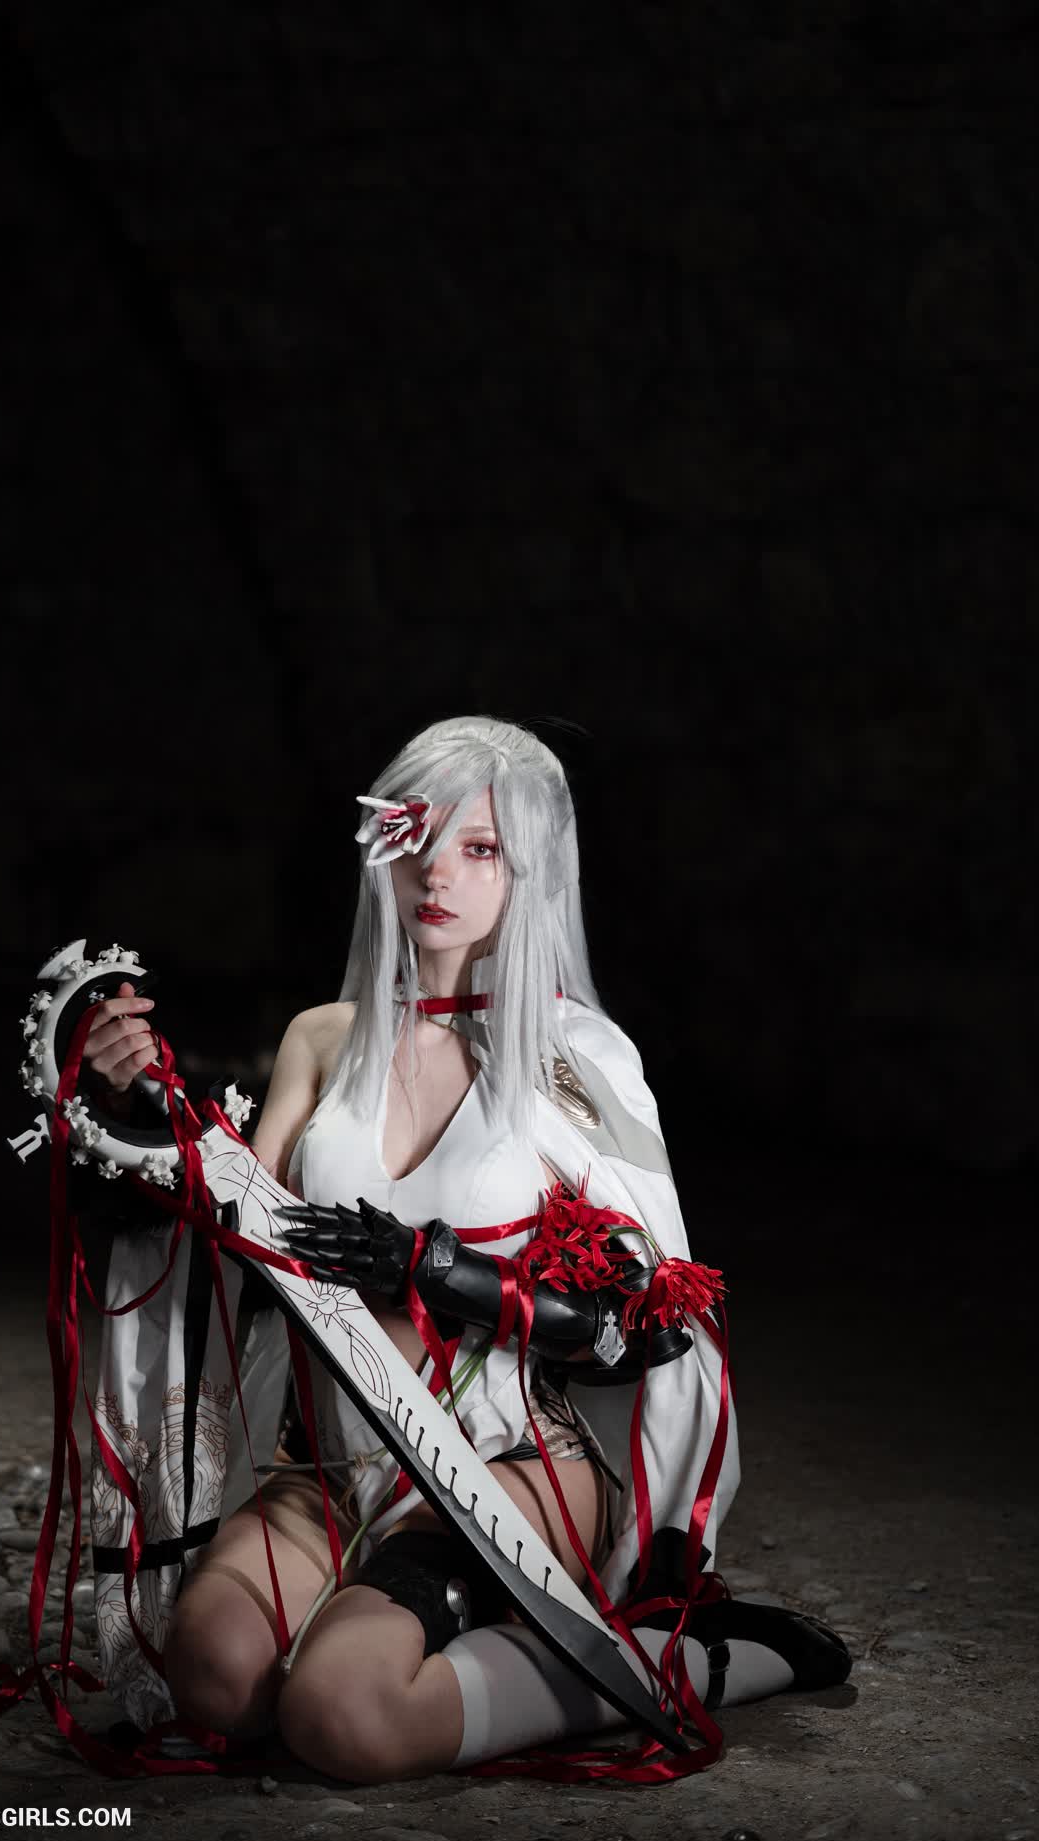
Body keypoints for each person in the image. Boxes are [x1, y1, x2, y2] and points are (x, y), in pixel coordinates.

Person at [78, 715, 849, 1781]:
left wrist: (433, 1270)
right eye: (416, 836)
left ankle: (696, 1663)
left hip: (511, 1466)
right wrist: (139, 1121)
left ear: (532, 868)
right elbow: (235, 1236)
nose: (438, 872)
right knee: (211, 1676)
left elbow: (651, 1323)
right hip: (336, 1460)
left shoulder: (574, 1058)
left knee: (344, 1716)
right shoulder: (323, 1038)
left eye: (479, 847)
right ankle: (415, 1618)